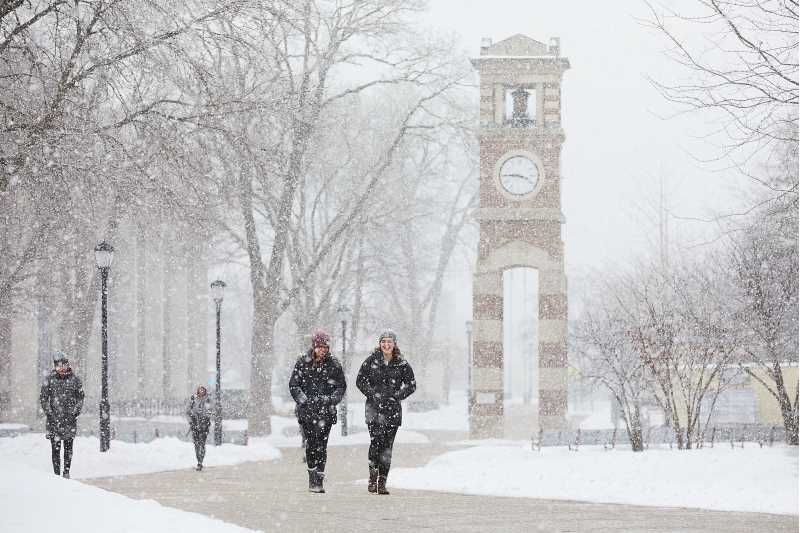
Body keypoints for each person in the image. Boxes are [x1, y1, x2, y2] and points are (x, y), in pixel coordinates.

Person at [356, 329, 416, 495]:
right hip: (374, 410)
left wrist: (396, 396)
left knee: (387, 448)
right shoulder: (371, 361)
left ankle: (382, 482)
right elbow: (360, 381)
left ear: (394, 344)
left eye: (389, 342)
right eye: (383, 341)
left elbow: (411, 385)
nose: (386, 344)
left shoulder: (401, 363)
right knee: (375, 444)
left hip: (392, 412)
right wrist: (372, 394)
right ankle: (372, 478)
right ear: (380, 344)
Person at [289, 330, 346, 493]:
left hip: (326, 412)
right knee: (311, 444)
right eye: (320, 346)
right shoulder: (302, 362)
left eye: (325, 347)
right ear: (314, 346)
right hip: (307, 412)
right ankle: (312, 476)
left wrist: (331, 399)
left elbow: (341, 386)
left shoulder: (334, 364)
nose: (323, 350)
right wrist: (303, 400)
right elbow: (294, 385)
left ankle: (319, 480)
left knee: (322, 445)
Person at [39, 351, 84, 479]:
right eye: (57, 365)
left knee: (68, 449)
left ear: (67, 364)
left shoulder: (75, 380)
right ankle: (56, 475)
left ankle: (66, 472)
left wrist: (75, 411)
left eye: (62, 364)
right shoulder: (49, 380)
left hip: (69, 421)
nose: (60, 367)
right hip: (54, 421)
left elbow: (81, 398)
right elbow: (43, 398)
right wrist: (49, 413)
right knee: (55, 450)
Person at [186, 385, 213, 471]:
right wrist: (191, 420)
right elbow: (187, 412)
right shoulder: (193, 399)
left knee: (202, 443)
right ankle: (198, 460)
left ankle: (200, 461)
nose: (201, 392)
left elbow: (211, 411)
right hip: (195, 425)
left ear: (205, 391)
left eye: (203, 390)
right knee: (196, 444)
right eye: (200, 390)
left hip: (204, 425)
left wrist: (204, 416)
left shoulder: (208, 400)